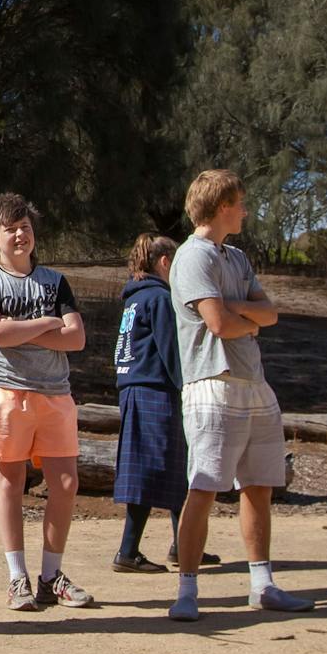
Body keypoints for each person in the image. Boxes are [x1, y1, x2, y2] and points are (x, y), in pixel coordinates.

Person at [166, 169, 315, 622]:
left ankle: (262, 583)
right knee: (205, 485)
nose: (246, 210)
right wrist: (244, 319)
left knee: (260, 486)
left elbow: (269, 314)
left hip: (254, 383)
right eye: (240, 202)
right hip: (212, 383)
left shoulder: (235, 256)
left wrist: (242, 314)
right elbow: (219, 325)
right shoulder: (192, 257)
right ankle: (187, 590)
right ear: (222, 205)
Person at [0, 193, 92, 613]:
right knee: (10, 482)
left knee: (65, 484)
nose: (20, 235)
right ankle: (16, 576)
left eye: (25, 227)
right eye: (10, 229)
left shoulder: (55, 281)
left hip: (55, 393)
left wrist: (17, 328)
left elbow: (76, 339)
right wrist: (47, 323)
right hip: (6, 391)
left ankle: (50, 576)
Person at [110, 234, 184, 572]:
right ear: (165, 262)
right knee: (168, 467)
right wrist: (187, 386)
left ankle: (184, 543)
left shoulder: (134, 297)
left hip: (133, 389)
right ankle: (128, 551)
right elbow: (172, 350)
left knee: (168, 468)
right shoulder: (159, 298)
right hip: (155, 390)